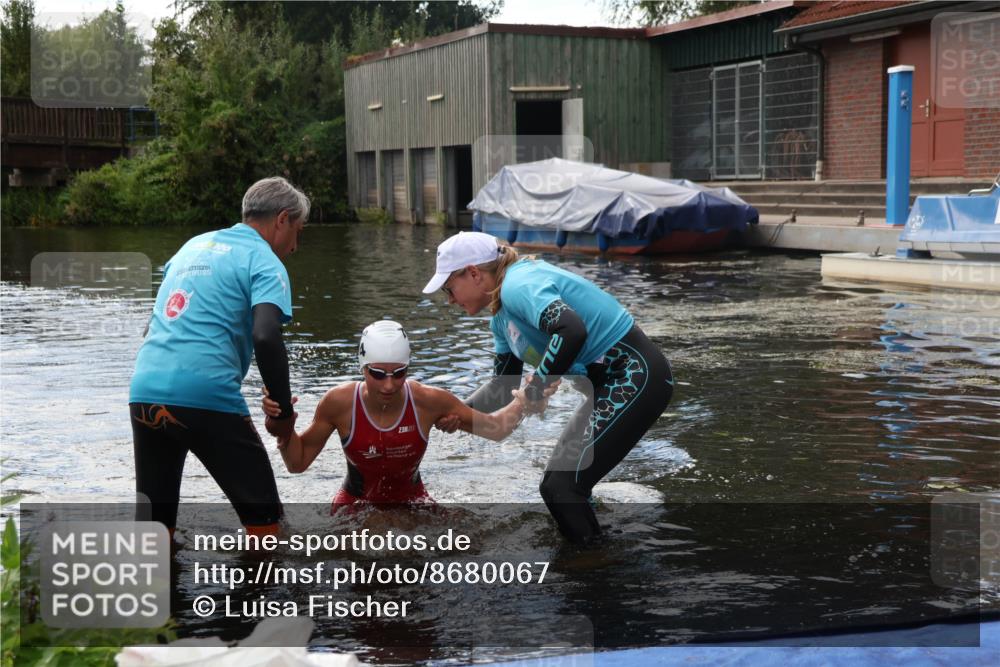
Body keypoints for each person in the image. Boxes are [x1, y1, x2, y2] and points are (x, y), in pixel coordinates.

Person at [423, 232, 674, 544]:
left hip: (635, 376)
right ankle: (602, 545)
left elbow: (570, 330)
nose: (449, 299)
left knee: (562, 488)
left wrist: (535, 390)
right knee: (557, 487)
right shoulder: (501, 319)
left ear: (473, 273)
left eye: (450, 288)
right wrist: (443, 412)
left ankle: (594, 568)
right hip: (607, 386)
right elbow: (502, 387)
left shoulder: (518, 284)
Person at [129, 176, 306, 537]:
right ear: (282, 219)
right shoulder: (264, 260)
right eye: (298, 231)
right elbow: (266, 335)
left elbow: (155, 326)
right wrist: (283, 413)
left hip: (144, 390)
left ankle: (158, 592)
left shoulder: (191, 247)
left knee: (155, 525)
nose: (295, 245)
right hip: (206, 396)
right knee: (268, 525)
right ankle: (264, 594)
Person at [261, 320, 548, 509]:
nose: (389, 385)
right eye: (377, 374)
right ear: (362, 368)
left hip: (414, 503)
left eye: (399, 374)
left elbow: (495, 429)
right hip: (356, 505)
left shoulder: (428, 401)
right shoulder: (339, 402)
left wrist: (525, 399)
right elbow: (297, 464)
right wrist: (284, 427)